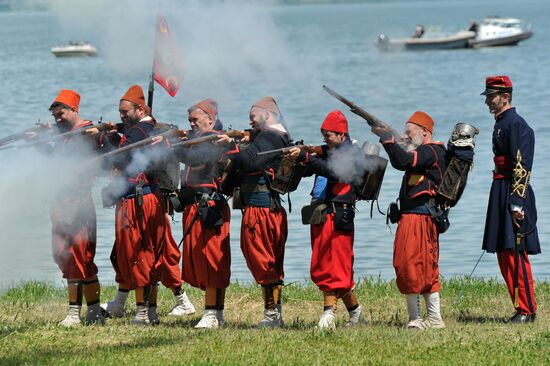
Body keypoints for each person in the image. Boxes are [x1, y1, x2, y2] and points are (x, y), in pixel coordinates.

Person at [87, 85, 193, 325]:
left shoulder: (140, 132)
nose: (121, 115)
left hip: (138, 201)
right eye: (120, 111)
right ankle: (141, 309)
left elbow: (120, 158)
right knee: (131, 255)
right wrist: (113, 136)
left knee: (141, 255)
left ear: (141, 108)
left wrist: (104, 139)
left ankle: (145, 313)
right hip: (136, 198)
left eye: (125, 111)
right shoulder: (138, 131)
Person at [32, 90, 105, 326]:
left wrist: (52, 133)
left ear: (73, 110)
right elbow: (58, 161)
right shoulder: (64, 134)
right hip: (61, 201)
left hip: (78, 201)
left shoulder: (86, 131)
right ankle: (87, 310)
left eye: (61, 114)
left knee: (79, 255)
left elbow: (88, 145)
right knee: (62, 253)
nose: (58, 119)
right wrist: (41, 143)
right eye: (55, 116)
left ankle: (80, 312)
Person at [286, 110, 363, 330]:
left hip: (339, 214)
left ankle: (329, 313)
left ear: (341, 134)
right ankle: (355, 312)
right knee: (325, 263)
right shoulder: (331, 151)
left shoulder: (352, 154)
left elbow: (334, 172)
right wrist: (300, 159)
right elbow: (316, 168)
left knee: (336, 264)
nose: (325, 140)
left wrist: (308, 157)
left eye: (328, 135)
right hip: (324, 212)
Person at [371, 111, 446, 329]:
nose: (406, 136)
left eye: (409, 132)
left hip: (420, 217)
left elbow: (402, 161)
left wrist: (387, 139)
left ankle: (424, 319)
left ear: (425, 132)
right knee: (411, 265)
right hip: (412, 216)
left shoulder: (430, 151)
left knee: (412, 265)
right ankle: (426, 318)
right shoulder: (425, 151)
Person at [220, 96, 290, 328]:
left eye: (253, 117)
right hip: (269, 206)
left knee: (262, 260)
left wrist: (231, 146)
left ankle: (271, 316)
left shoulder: (270, 136)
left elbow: (250, 162)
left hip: (260, 209)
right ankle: (274, 314)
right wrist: (246, 138)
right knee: (270, 262)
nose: (250, 122)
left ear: (267, 115)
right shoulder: (274, 135)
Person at [481, 75, 540, 323]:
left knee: (516, 252)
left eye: (491, 97)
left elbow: (522, 166)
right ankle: (519, 307)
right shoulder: (501, 122)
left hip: (513, 191)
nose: (487, 102)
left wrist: (517, 202)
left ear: (505, 97)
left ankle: (527, 310)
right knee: (504, 251)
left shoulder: (516, 124)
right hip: (500, 188)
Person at [174, 98, 238, 328]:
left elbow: (197, 159)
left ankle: (212, 313)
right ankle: (213, 312)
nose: (191, 124)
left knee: (213, 261)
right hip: (194, 205)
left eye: (195, 120)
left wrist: (174, 146)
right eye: (189, 120)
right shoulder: (197, 139)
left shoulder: (217, 142)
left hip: (210, 207)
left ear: (210, 120)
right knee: (201, 260)